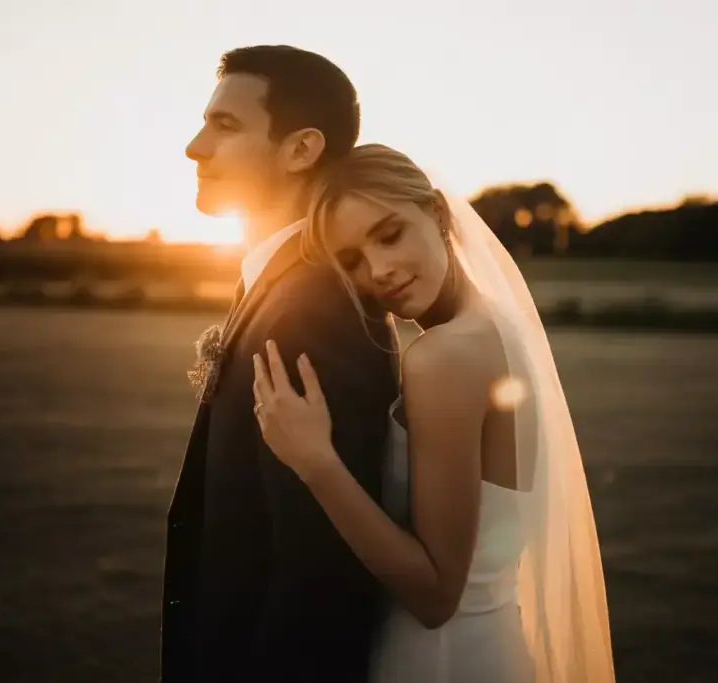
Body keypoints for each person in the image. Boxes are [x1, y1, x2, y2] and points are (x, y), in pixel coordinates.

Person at [252, 143, 616, 682]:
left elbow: (436, 593)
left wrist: (315, 462)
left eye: (390, 233)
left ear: (439, 215)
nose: (379, 269)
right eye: (350, 260)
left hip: (440, 661)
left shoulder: (443, 356)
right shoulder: (496, 327)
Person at [160, 47, 400, 682]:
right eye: (204, 122)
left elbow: (320, 572)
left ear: (300, 150)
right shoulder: (276, 284)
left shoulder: (313, 310)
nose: (194, 146)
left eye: (226, 126)